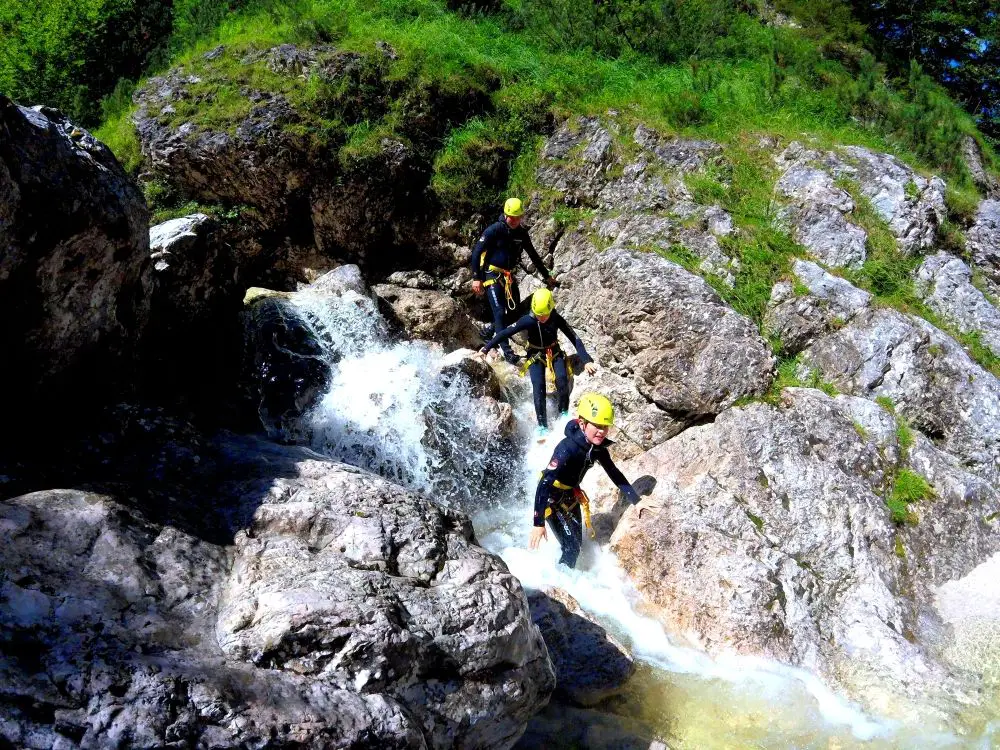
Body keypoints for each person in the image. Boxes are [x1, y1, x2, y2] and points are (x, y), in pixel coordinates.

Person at [530, 393, 646, 569]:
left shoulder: (597, 449)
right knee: (571, 548)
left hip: (570, 495)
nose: (602, 431)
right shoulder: (566, 448)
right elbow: (545, 482)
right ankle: (559, 588)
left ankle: (565, 577)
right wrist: (538, 523)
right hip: (551, 498)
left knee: (577, 544)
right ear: (583, 424)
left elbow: (614, 472)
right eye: (597, 426)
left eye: (605, 427)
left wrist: (636, 500)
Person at [480, 288, 597, 436]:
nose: (541, 318)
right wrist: (486, 348)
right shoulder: (528, 320)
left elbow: (574, 338)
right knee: (538, 386)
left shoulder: (555, 318)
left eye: (544, 315)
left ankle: (564, 413)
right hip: (535, 354)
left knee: (561, 379)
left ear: (551, 308)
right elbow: (504, 333)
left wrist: (586, 360)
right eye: (538, 314)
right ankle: (542, 425)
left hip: (554, 352)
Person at [471, 197, 558, 364]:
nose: (516, 221)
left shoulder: (521, 233)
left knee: (515, 313)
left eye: (519, 217)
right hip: (492, 274)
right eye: (513, 217)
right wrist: (476, 278)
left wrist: (546, 276)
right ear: (505, 214)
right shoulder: (494, 230)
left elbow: (533, 255)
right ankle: (507, 352)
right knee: (498, 311)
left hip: (508, 276)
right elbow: (477, 252)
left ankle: (490, 330)